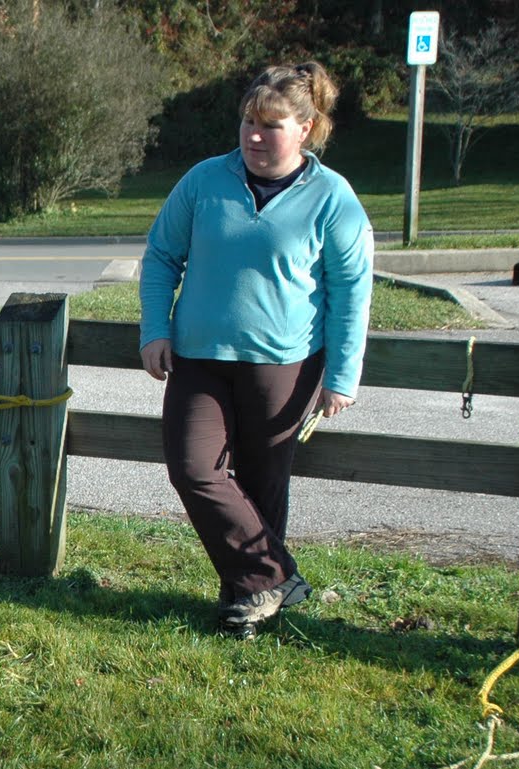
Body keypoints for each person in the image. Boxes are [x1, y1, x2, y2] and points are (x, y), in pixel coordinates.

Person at [138, 61, 373, 637]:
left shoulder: (332, 198)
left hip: (285, 367)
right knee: (194, 469)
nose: (254, 135)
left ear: (306, 127)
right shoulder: (203, 181)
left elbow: (352, 292)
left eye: (271, 124)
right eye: (248, 121)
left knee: (263, 489)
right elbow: (162, 257)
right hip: (198, 358)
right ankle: (276, 576)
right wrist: (154, 330)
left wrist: (342, 375)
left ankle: (245, 604)